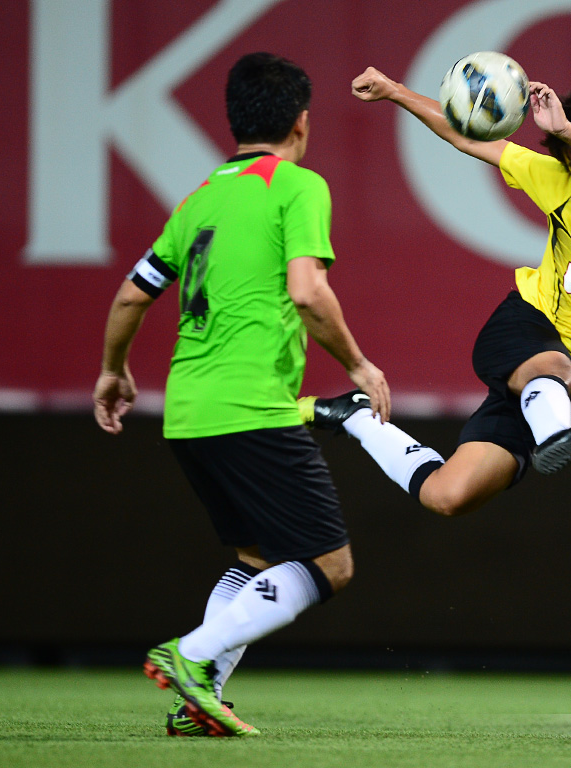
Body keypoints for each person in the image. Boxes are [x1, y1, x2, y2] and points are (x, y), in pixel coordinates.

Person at [93, 52, 390, 738]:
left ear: (234, 120)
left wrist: (113, 370)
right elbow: (308, 292)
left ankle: (198, 700)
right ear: (302, 121)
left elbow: (131, 294)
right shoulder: (297, 186)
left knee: (257, 560)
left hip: (187, 414)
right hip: (251, 408)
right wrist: (357, 364)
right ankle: (191, 655)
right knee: (330, 565)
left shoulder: (199, 198)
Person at [297, 66, 571, 517]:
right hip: (524, 329)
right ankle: (556, 435)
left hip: (553, 385)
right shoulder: (558, 183)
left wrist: (567, 131)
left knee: (448, 496)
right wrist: (395, 91)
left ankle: (357, 417)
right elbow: (467, 139)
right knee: (556, 372)